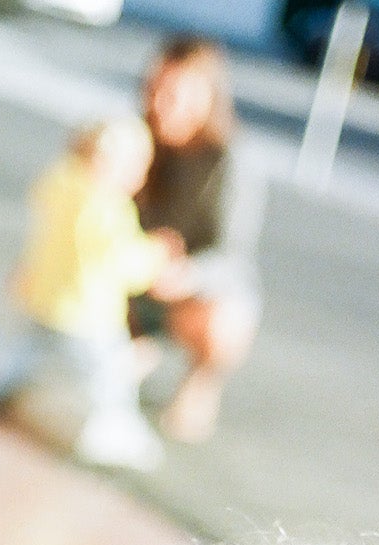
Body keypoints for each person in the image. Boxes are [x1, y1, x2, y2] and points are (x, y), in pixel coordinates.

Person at [0, 115, 184, 470]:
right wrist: (157, 256)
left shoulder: (60, 183)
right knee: (109, 378)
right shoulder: (109, 208)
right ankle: (113, 431)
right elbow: (123, 262)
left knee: (28, 354)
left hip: (41, 302)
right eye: (138, 167)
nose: (140, 178)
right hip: (88, 319)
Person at [135, 36, 265, 442]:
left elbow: (233, 257)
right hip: (131, 279)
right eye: (154, 89)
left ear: (208, 98)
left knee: (228, 318)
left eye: (174, 94)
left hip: (188, 291)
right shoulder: (136, 138)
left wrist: (186, 274)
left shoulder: (232, 159)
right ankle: (133, 351)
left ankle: (200, 382)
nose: (159, 104)